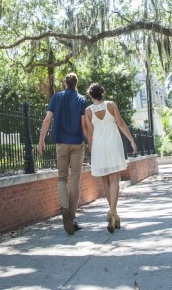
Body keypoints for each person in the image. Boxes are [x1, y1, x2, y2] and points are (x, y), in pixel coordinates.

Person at [37, 72, 88, 235]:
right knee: (75, 179)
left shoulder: (56, 97)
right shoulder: (81, 100)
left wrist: (41, 139)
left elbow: (47, 120)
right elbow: (83, 124)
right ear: (76, 83)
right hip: (77, 144)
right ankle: (71, 218)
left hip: (61, 144)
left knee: (61, 178)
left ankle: (64, 207)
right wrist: (91, 142)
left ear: (65, 83)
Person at [84, 82, 137, 233]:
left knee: (105, 181)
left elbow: (90, 133)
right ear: (102, 93)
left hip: (99, 146)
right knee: (115, 179)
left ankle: (113, 212)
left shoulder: (88, 111)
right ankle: (113, 212)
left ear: (90, 95)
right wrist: (132, 140)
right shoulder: (111, 105)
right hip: (113, 143)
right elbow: (120, 124)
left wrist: (91, 149)